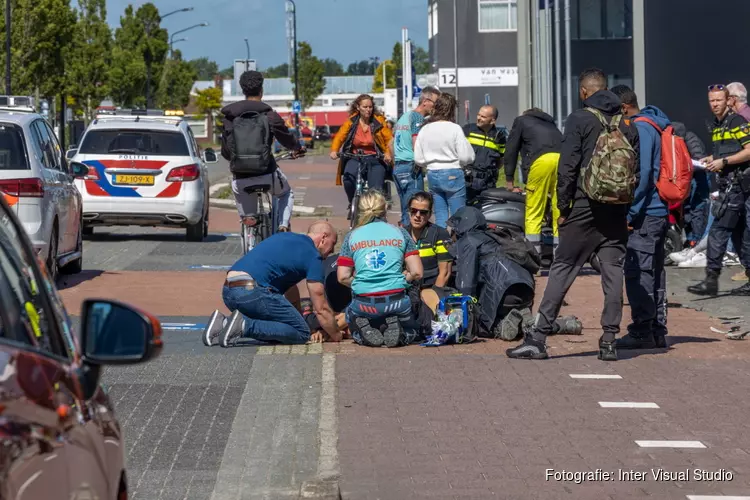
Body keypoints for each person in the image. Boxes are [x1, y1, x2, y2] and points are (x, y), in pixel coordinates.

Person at [507, 68, 640, 361]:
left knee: (563, 266)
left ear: (584, 93)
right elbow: (636, 172)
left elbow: (567, 168)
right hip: (616, 209)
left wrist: (564, 209)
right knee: (612, 271)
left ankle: (538, 338)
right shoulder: (628, 123)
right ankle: (608, 340)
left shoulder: (580, 119)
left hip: (583, 206)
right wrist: (623, 207)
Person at [202, 222, 342, 347]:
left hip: (229, 291)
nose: (333, 251)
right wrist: (335, 335)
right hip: (252, 292)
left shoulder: (285, 238)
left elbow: (291, 291)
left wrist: (298, 319)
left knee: (286, 328)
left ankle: (222, 323)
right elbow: (321, 308)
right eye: (333, 243)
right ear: (323, 237)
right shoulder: (313, 255)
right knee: (301, 333)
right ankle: (244, 326)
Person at [610, 85, 669, 350]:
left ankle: (642, 330)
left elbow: (643, 174)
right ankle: (655, 329)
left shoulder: (641, 129)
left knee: (638, 271)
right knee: (654, 271)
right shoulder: (655, 124)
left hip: (645, 212)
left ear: (623, 108)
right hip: (659, 210)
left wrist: (630, 212)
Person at [336, 190, 424, 347]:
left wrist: (362, 282)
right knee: (413, 330)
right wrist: (403, 280)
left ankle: (361, 333)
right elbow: (417, 272)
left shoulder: (352, 236)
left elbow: (342, 277)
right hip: (396, 300)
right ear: (385, 209)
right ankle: (403, 333)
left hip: (364, 303)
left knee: (351, 317)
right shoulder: (400, 232)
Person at [220, 71, 303, 236]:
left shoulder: (229, 119)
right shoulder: (270, 116)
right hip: (268, 174)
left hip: (241, 179)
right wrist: (297, 148)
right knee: (286, 193)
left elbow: (226, 151)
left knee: (248, 214)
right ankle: (282, 225)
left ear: (243, 90)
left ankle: (248, 222)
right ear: (261, 90)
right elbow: (287, 139)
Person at [687, 85, 750, 296]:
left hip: (737, 187)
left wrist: (723, 161)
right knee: (741, 236)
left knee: (718, 231)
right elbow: (728, 150)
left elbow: (749, 150)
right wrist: (711, 159)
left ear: (729, 101)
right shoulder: (718, 125)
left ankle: (711, 280)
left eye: (718, 101)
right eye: (711, 101)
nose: (714, 105)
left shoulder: (737, 122)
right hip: (730, 186)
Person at [448, 206, 536, 338]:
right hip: (526, 290)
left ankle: (501, 327)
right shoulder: (493, 236)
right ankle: (528, 318)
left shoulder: (468, 240)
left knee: (479, 326)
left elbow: (466, 283)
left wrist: (463, 313)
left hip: (504, 292)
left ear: (460, 226)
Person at [503, 108, 563, 254]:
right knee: (559, 209)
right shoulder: (551, 124)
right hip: (562, 161)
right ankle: (560, 257)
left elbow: (511, 150)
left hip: (540, 162)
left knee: (534, 210)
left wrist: (509, 180)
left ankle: (533, 256)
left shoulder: (521, 121)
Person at [414, 93, 476, 227]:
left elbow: (418, 158)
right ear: (452, 109)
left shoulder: (425, 129)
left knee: (440, 214)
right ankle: (458, 244)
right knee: (458, 215)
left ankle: (441, 243)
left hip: (433, 174)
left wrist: (430, 162)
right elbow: (466, 156)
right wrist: (463, 162)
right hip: (453, 172)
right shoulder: (454, 128)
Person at [330, 94, 393, 216]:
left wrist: (387, 153)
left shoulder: (379, 121)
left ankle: (376, 215)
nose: (368, 110)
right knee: (348, 178)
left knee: (375, 191)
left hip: (375, 158)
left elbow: (388, 139)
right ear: (358, 107)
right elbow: (340, 136)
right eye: (365, 107)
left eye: (370, 107)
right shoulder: (351, 122)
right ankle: (352, 202)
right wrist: (334, 150)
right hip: (355, 157)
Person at [392, 87, 441, 226]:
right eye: (435, 103)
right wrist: (425, 162)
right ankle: (413, 244)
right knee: (416, 209)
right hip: (410, 167)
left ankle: (405, 239)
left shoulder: (404, 116)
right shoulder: (417, 118)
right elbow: (416, 144)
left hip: (398, 167)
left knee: (405, 210)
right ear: (425, 101)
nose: (436, 107)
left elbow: (392, 141)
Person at [403, 191, 453, 291]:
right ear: (409, 211)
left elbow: (445, 273)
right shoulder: (401, 234)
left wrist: (434, 298)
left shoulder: (440, 234)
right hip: (407, 289)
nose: (417, 215)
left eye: (423, 212)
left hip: (431, 290)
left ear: (430, 214)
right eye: (414, 210)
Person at [462, 105, 508, 203]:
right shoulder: (468, 130)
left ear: (492, 121)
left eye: (483, 117)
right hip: (467, 182)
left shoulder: (499, 138)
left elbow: (501, 160)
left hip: (488, 184)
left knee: (486, 213)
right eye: (478, 115)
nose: (478, 118)